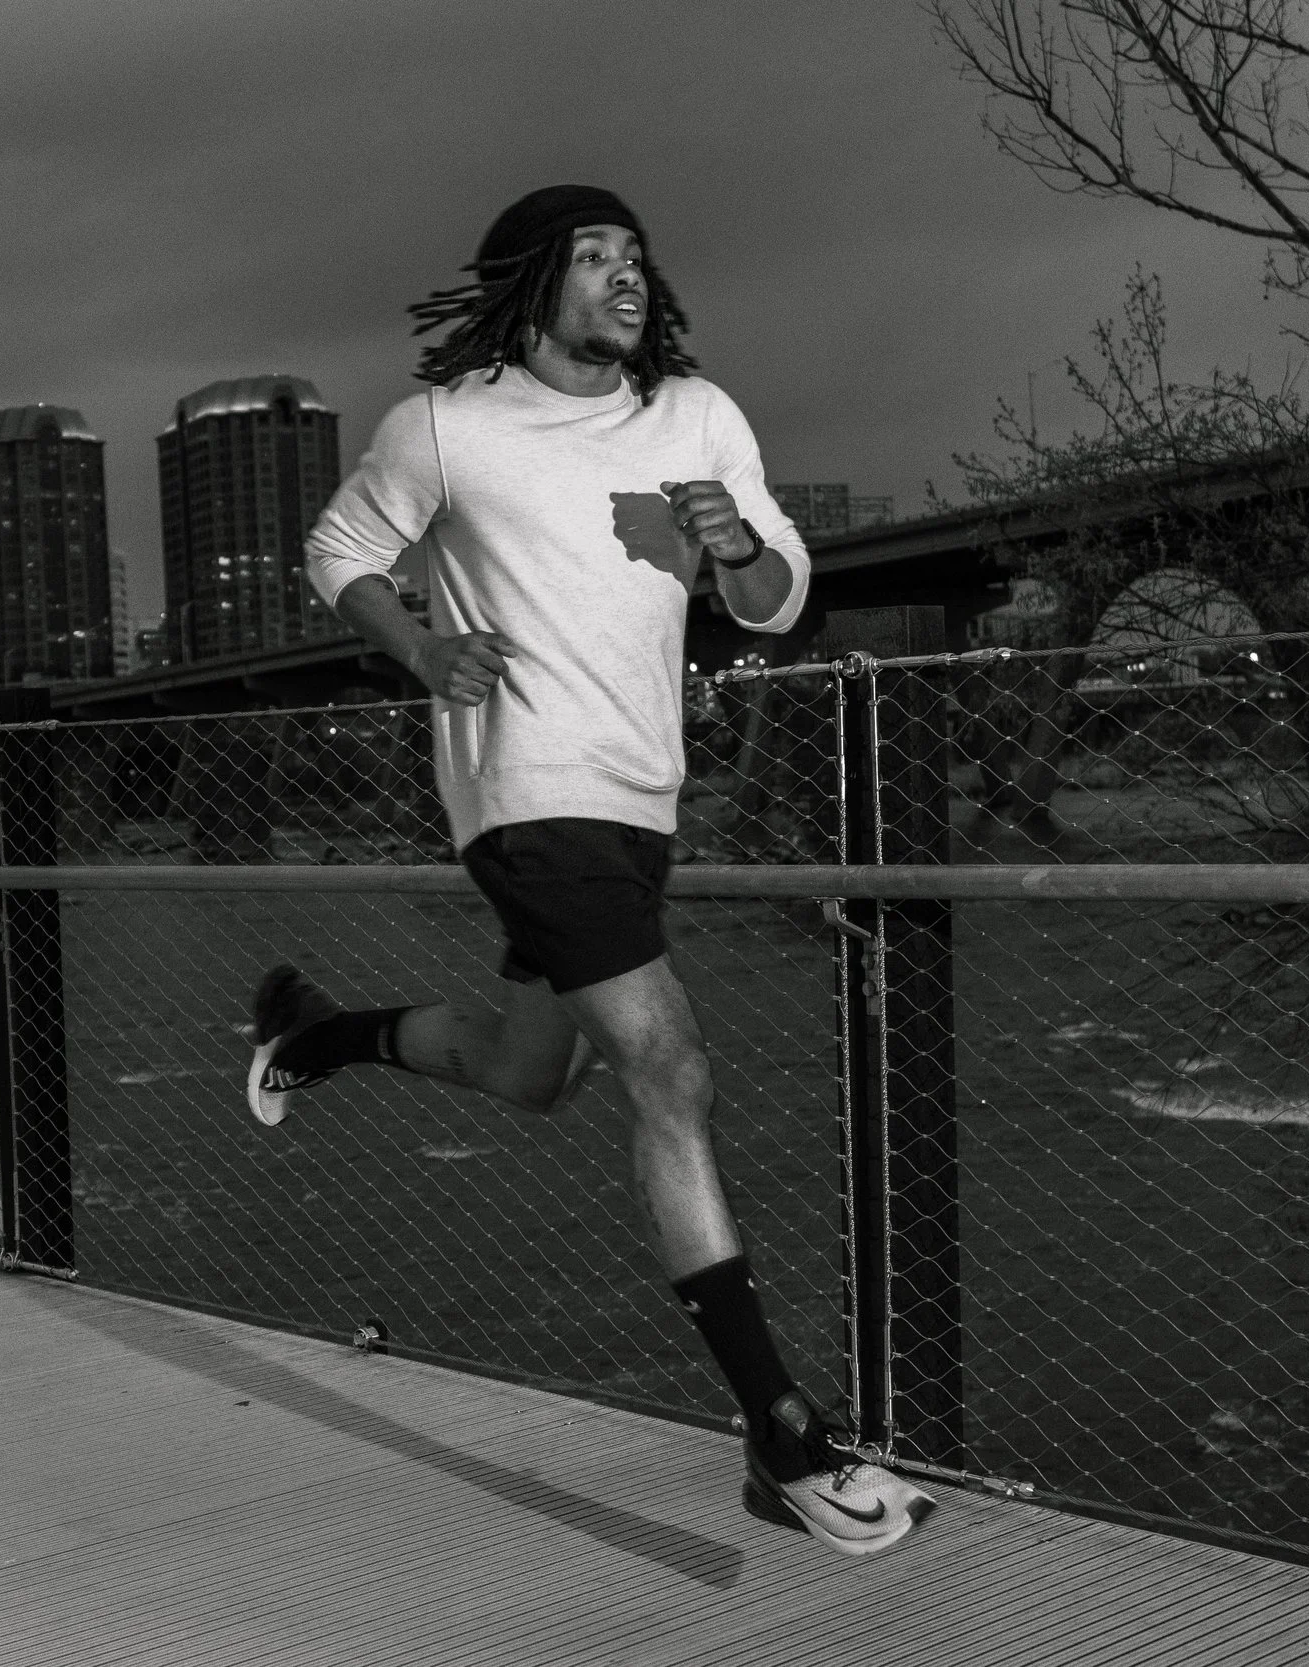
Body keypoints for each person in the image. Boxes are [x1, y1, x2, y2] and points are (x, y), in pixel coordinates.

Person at [244, 184, 933, 1556]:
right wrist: (424, 648)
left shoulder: (698, 417)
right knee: (669, 1065)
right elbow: (340, 548)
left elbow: (781, 601)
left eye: (635, 256)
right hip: (524, 790)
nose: (626, 275)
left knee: (531, 1072)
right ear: (527, 286)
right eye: (593, 256)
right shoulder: (448, 426)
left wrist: (738, 548)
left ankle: (318, 1035)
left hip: (640, 796)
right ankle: (782, 1435)